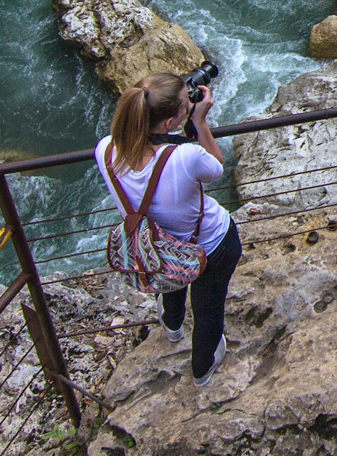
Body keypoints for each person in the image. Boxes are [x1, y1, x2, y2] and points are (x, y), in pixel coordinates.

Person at [96, 73, 240, 386]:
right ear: (168, 124)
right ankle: (203, 367)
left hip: (155, 244)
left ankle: (172, 324)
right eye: (185, 106)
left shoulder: (105, 150)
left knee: (170, 276)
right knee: (208, 305)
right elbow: (216, 167)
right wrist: (200, 122)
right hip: (209, 245)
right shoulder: (185, 156)